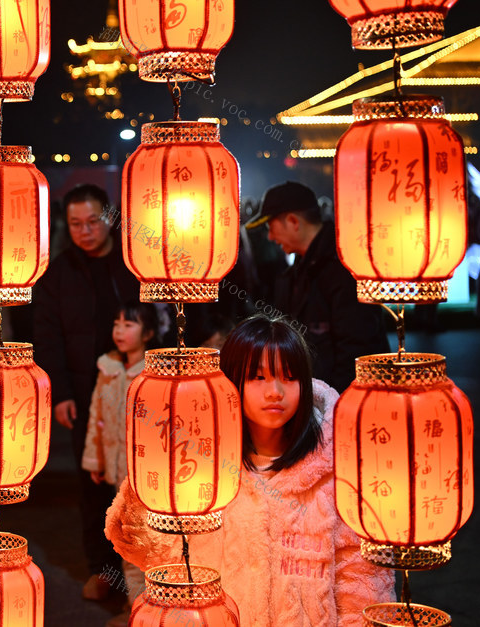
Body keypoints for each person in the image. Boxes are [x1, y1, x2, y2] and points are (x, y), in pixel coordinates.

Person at [105, 316, 395, 626]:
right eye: (258, 377)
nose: (275, 392)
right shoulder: (203, 473)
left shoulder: (335, 469)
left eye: (289, 376)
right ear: (230, 383)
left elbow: (362, 584)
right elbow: (145, 551)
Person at [34, 183, 140, 600]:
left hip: (135, 386)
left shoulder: (133, 264)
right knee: (92, 481)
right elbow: (48, 336)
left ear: (109, 218)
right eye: (75, 223)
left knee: (137, 480)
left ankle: (143, 574)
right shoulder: (58, 272)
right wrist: (60, 392)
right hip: (84, 392)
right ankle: (103, 570)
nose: (85, 231)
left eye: (92, 221)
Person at [246, 181, 388, 393]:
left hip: (341, 400)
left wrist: (330, 404)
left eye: (271, 227)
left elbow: (357, 349)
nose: (270, 237)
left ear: (293, 221)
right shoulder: (300, 269)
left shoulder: (345, 267)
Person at [81, 301, 158, 625]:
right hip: (119, 474)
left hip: (147, 477)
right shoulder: (108, 371)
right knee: (128, 543)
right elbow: (96, 417)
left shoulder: (153, 374)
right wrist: (96, 459)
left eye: (129, 325)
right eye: (117, 324)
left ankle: (146, 609)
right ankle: (135, 607)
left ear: (149, 333)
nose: (120, 331)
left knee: (149, 544)